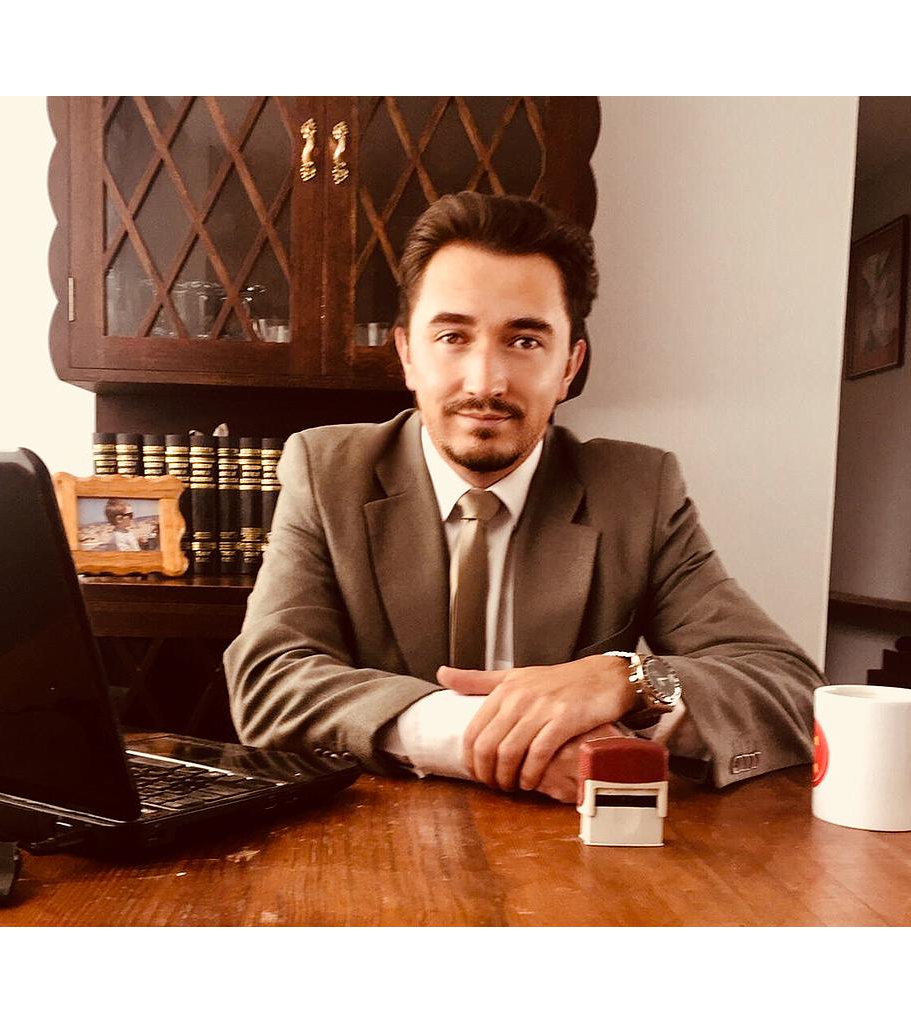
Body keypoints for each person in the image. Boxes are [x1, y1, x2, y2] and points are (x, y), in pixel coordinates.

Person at [224, 192, 823, 802]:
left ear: (569, 366)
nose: (485, 381)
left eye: (525, 341)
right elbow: (271, 681)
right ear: (407, 355)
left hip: (575, 839)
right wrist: (480, 739)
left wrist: (627, 681)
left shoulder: (637, 490)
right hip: (372, 833)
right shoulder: (328, 471)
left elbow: (790, 688)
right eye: (452, 336)